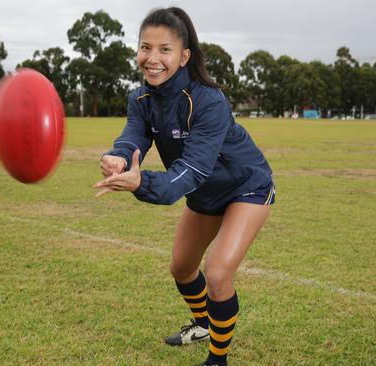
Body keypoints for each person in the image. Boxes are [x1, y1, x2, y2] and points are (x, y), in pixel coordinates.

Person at [94, 7, 274, 366]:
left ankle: (217, 359)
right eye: (146, 47)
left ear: (184, 56)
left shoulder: (209, 100)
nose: (153, 58)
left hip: (246, 186)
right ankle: (203, 324)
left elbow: (189, 171)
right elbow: (133, 137)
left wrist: (141, 182)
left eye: (165, 50)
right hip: (205, 193)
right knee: (182, 267)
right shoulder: (140, 99)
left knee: (219, 272)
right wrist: (118, 157)